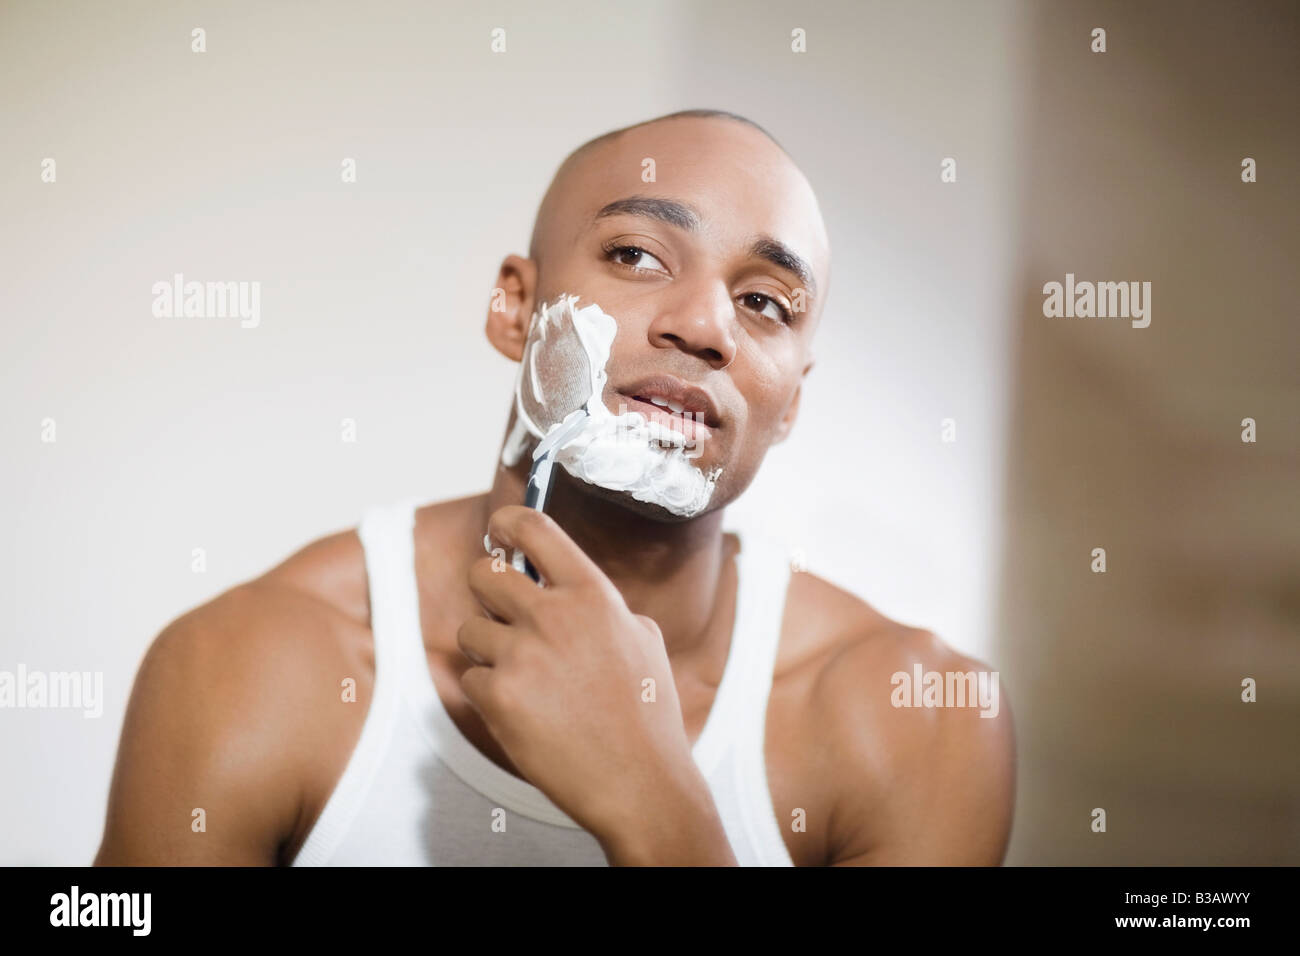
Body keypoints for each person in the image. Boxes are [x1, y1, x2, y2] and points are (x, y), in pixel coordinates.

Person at [94, 109, 1015, 866]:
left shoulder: (915, 722)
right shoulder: (248, 667)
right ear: (515, 307)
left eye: (765, 301)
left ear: (792, 403)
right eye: (637, 255)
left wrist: (658, 805)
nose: (704, 326)